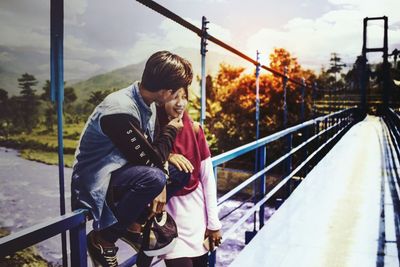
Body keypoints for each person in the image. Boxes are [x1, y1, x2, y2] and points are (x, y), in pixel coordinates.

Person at [71, 51, 193, 267]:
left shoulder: (147, 102)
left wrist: (167, 160)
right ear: (165, 91)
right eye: (175, 91)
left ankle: (133, 227)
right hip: (97, 181)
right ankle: (103, 240)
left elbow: (153, 153)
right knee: (155, 178)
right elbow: (152, 160)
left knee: (181, 171)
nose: (176, 96)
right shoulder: (119, 110)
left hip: (123, 171)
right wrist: (172, 130)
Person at [156, 87, 222, 267]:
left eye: (184, 97)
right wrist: (167, 156)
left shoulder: (194, 130)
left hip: (197, 219)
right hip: (170, 222)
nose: (180, 103)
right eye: (174, 97)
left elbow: (208, 179)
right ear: (161, 99)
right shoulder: (153, 132)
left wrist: (213, 224)